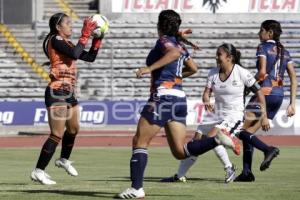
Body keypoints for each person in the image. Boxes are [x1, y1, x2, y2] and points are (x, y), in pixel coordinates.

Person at [116, 10, 239, 199]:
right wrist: (176, 76)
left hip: (163, 97)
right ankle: (216, 140)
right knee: (181, 152)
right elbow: (194, 68)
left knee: (139, 142)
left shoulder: (167, 42)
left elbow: (173, 53)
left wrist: (149, 68)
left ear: (160, 25)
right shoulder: (180, 45)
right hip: (179, 98)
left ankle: (136, 188)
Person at [161, 43, 271, 184]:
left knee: (213, 137)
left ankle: (229, 167)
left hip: (233, 115)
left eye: (219, 54)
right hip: (215, 114)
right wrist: (206, 101)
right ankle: (179, 175)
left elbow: (260, 93)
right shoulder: (213, 73)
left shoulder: (242, 72)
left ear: (229, 57)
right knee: (197, 141)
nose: (216, 57)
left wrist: (264, 116)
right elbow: (206, 94)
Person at [30, 13, 103, 185]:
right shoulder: (55, 39)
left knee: (73, 129)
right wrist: (85, 35)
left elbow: (90, 58)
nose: (71, 26)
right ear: (58, 27)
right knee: (56, 134)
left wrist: (98, 39)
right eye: (68, 23)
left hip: (69, 92)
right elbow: (76, 54)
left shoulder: (67, 43)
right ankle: (38, 171)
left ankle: (63, 159)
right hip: (57, 91)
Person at [234, 20, 297, 182]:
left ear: (269, 33)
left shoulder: (263, 47)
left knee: (240, 130)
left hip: (264, 93)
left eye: (261, 30)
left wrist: (248, 86)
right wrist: (292, 103)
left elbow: (262, 73)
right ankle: (247, 173)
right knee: (248, 134)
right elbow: (293, 78)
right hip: (278, 96)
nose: (258, 33)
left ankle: (268, 149)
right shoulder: (285, 51)